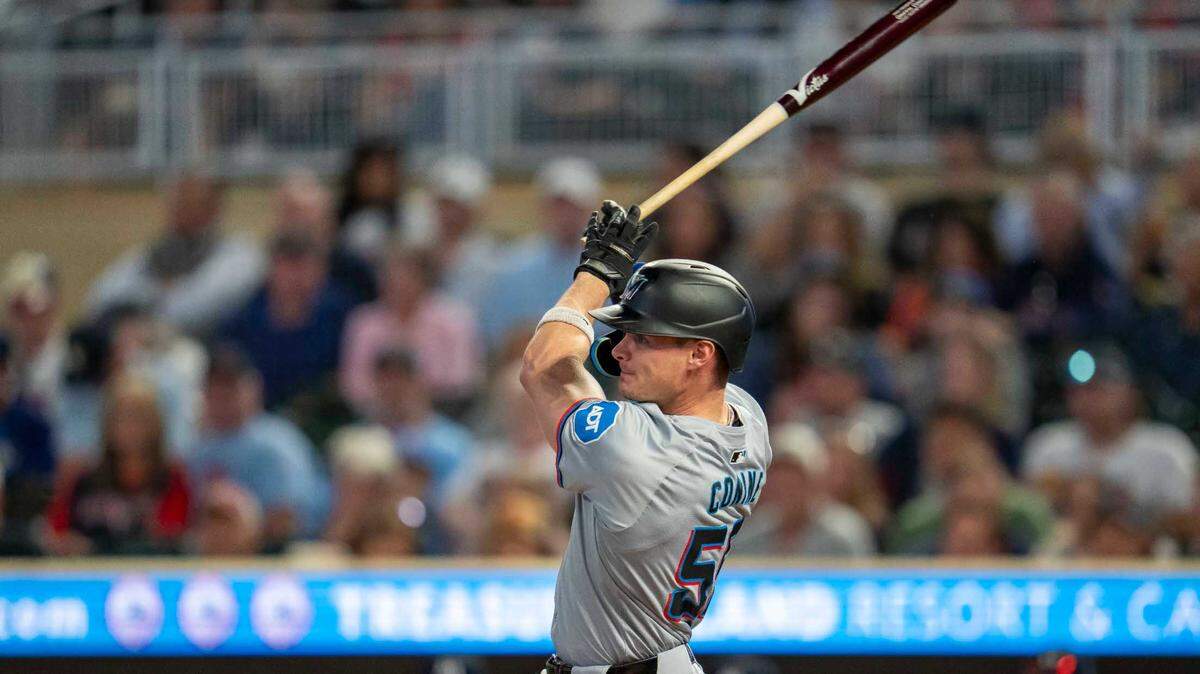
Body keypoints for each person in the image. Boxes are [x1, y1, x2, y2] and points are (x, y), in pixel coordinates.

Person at [520, 201, 770, 672]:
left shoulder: (634, 450)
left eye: (645, 337)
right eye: (625, 335)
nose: (621, 350)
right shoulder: (748, 420)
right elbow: (659, 391)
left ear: (700, 354)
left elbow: (545, 367)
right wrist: (633, 350)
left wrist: (597, 274)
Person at [86, 172, 264, 337]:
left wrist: (150, 304)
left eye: (191, 201)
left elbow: (191, 311)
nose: (179, 209)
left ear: (214, 207)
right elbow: (102, 298)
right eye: (176, 201)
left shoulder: (238, 255)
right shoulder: (153, 253)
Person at [188, 346, 331, 548]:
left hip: (279, 551)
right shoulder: (199, 448)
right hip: (213, 554)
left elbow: (288, 519)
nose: (222, 400)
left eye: (230, 390)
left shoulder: (276, 442)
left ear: (253, 388)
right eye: (215, 391)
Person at [47, 376, 190, 556]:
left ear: (156, 424)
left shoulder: (171, 479)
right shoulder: (85, 478)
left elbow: (169, 541)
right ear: (107, 423)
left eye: (139, 417)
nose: (131, 427)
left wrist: (96, 549)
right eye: (122, 416)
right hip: (87, 571)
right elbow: (57, 534)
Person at [219, 228, 355, 411]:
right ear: (271, 269)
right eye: (287, 267)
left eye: (303, 268)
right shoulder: (242, 319)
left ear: (322, 271)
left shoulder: (344, 317)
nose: (295, 278)